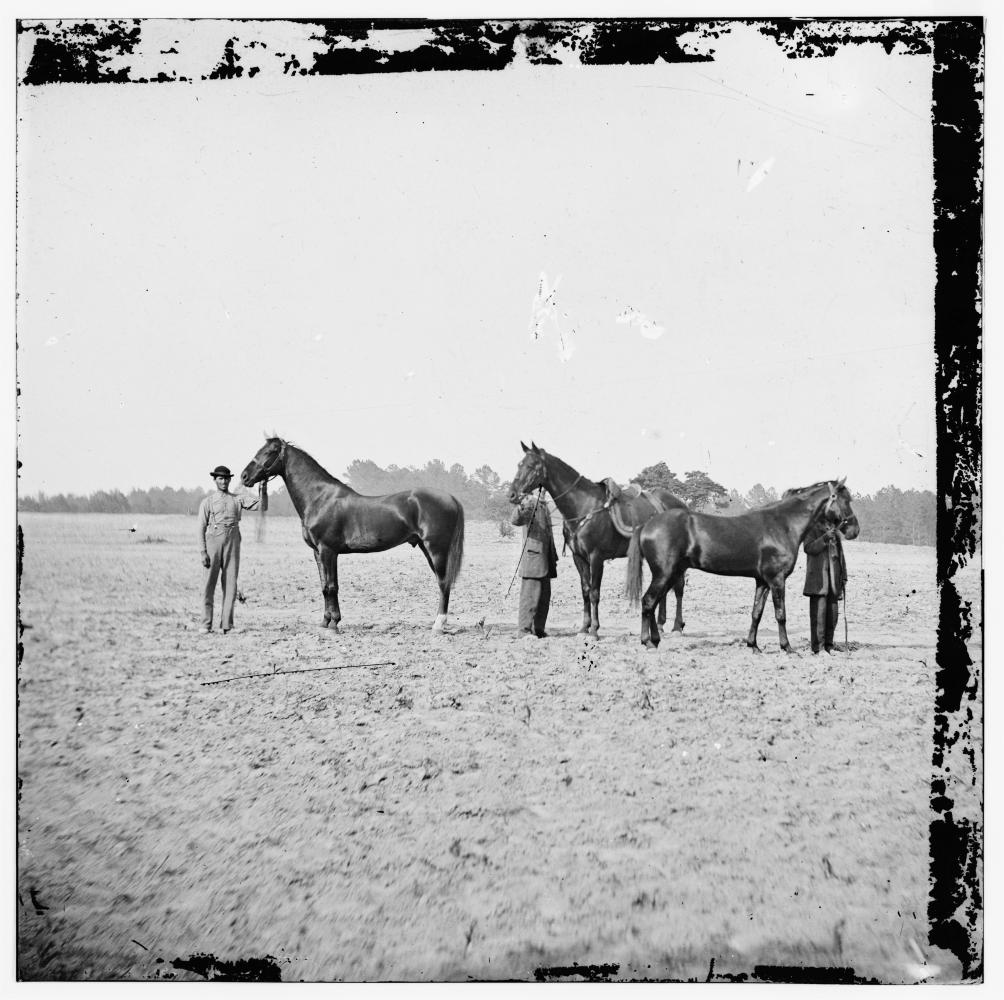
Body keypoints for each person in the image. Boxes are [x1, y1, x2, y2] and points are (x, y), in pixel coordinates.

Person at [198, 465, 258, 634]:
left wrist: (263, 487)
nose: (223, 481)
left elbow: (261, 505)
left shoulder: (238, 499)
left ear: (230, 480)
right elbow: (200, 527)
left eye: (226, 478)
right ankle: (205, 624)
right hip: (213, 542)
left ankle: (227, 625)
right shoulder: (207, 502)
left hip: (233, 541)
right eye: (220, 479)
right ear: (215, 480)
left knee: (230, 584)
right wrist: (203, 551)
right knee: (208, 584)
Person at [511, 492, 559, 638]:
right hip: (533, 558)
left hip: (545, 558)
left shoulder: (544, 505)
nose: (543, 490)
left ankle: (538, 630)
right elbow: (516, 519)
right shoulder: (529, 503)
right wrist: (521, 505)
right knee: (529, 597)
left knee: (544, 597)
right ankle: (523, 631)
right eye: (540, 487)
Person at [802, 515, 849, 653]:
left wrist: (844, 576)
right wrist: (824, 538)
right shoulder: (811, 527)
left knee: (832, 615)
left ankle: (829, 645)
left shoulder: (835, 531)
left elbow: (841, 556)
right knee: (819, 616)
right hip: (818, 581)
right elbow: (808, 548)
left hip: (834, 580)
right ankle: (818, 648)